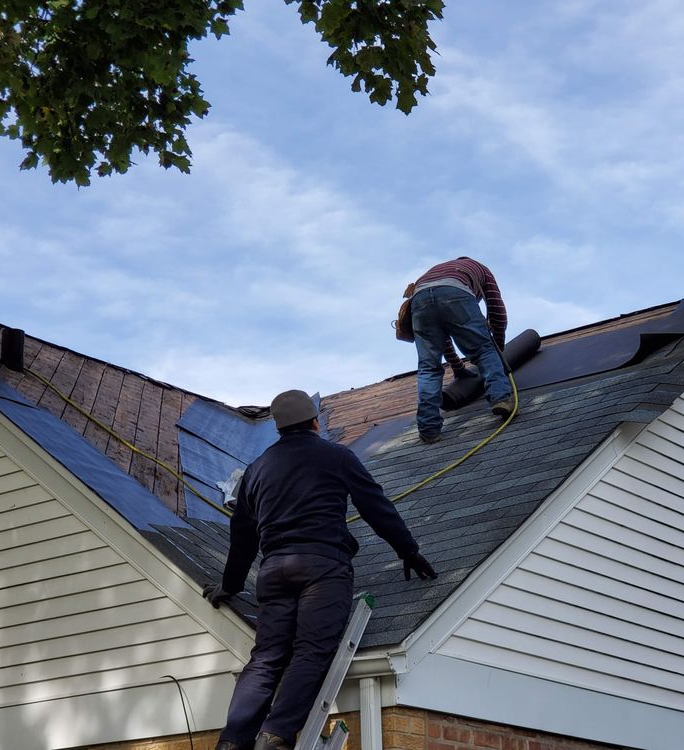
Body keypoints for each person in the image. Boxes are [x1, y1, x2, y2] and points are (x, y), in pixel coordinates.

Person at [203, 389, 436, 750]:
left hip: (274, 570)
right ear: (315, 422)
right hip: (322, 567)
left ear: (278, 429)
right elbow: (375, 505)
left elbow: (243, 537)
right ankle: (275, 735)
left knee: (266, 657)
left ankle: (232, 742)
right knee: (311, 650)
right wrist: (409, 550)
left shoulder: (256, 469)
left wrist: (229, 585)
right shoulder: (336, 456)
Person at [410, 256, 513, 443]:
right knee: (484, 350)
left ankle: (428, 430)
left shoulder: (436, 270)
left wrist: (458, 368)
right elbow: (497, 312)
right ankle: (501, 399)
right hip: (454, 290)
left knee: (428, 368)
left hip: (419, 299)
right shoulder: (483, 271)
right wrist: (498, 348)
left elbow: (443, 340)